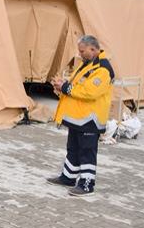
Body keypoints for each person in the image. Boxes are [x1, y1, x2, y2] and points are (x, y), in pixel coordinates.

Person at [46, 35, 114, 197]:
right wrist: (63, 85)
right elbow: (77, 85)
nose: (80, 54)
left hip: (90, 119)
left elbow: (89, 92)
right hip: (78, 118)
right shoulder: (88, 64)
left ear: (93, 49)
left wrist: (65, 87)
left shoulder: (103, 69)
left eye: (82, 51)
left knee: (87, 151)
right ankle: (68, 177)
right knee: (73, 149)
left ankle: (87, 185)